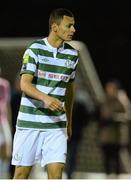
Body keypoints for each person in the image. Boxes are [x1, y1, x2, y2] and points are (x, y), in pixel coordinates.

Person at [11, 8, 79, 179]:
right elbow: (24, 84)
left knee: (56, 175)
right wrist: (46, 98)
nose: (73, 30)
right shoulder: (35, 50)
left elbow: (69, 90)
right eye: (68, 26)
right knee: (21, 174)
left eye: (73, 25)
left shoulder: (72, 55)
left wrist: (69, 121)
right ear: (54, 27)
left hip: (56, 126)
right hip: (29, 123)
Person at [98, 79, 131, 178]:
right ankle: (108, 176)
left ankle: (116, 177)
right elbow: (101, 114)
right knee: (106, 157)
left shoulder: (121, 99)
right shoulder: (104, 99)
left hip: (117, 135)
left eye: (111, 87)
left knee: (116, 157)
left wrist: (115, 117)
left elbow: (128, 115)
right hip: (105, 134)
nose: (108, 90)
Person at [0, 67, 12, 178]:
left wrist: (9, 121)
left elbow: (7, 105)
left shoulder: (4, 84)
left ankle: (3, 173)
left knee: (7, 147)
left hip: (3, 120)